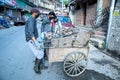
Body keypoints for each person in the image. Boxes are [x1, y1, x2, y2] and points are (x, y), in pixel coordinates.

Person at [25, 8, 46, 74]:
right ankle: (36, 68)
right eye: (38, 13)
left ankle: (40, 66)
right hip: (31, 40)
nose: (38, 14)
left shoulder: (33, 19)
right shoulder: (31, 20)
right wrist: (35, 42)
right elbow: (30, 32)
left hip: (34, 39)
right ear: (34, 13)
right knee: (39, 53)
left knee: (40, 52)